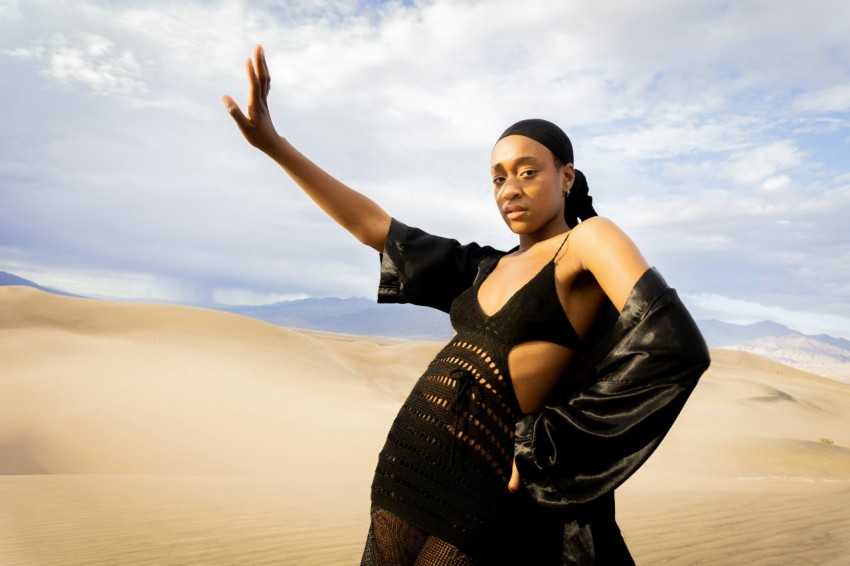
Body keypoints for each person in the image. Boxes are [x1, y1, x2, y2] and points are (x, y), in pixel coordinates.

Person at [223, 45, 710, 565]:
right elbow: (374, 227)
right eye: (498, 177)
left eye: (528, 172)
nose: (510, 189)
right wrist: (274, 146)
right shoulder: (482, 267)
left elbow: (674, 345)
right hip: (405, 472)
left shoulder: (588, 243)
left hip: (480, 492)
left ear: (567, 177)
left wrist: (555, 443)